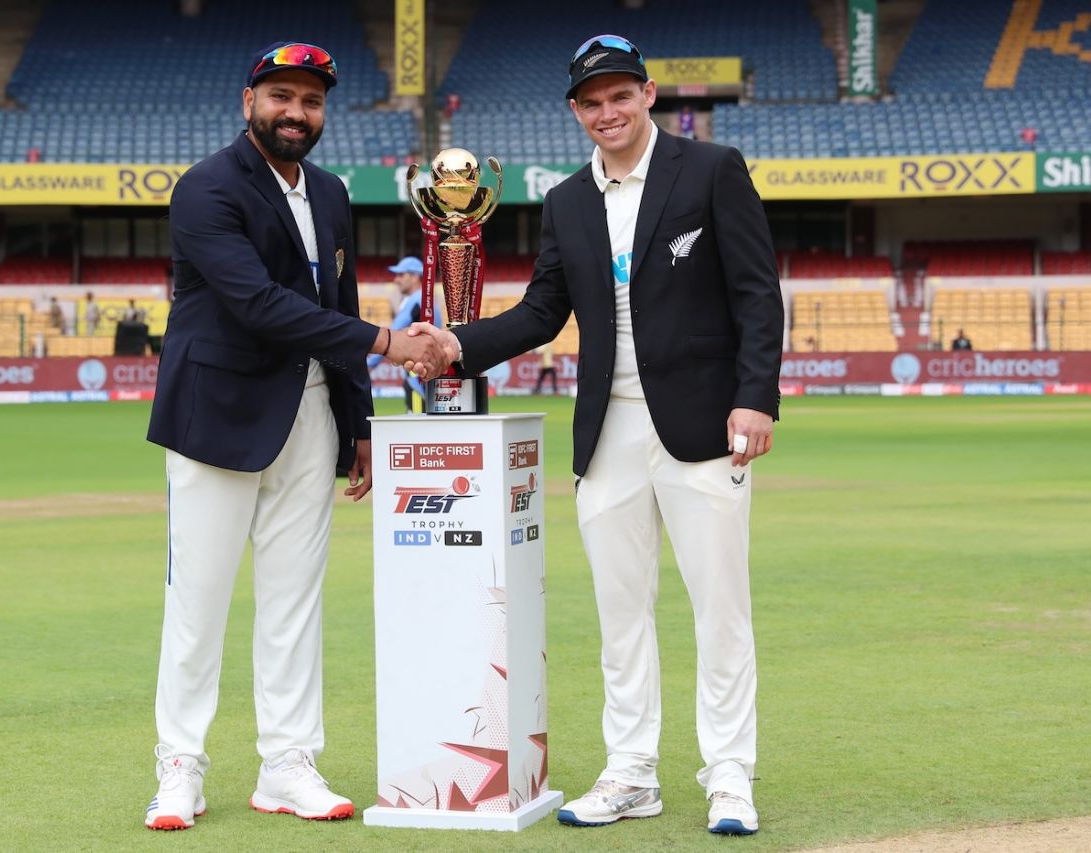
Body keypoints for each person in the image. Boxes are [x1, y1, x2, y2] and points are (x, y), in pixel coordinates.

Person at [413, 34, 783, 836]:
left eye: (620, 95)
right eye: (591, 101)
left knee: (720, 609)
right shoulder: (567, 200)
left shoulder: (712, 169)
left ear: (648, 95)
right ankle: (632, 772)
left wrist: (756, 397)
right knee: (621, 614)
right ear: (576, 112)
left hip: (704, 423)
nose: (607, 112)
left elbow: (757, 291)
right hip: (606, 431)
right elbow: (543, 312)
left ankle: (729, 774)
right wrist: (456, 342)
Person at [142, 40, 446, 831]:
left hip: (310, 413)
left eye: (311, 101)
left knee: (293, 601)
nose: (296, 112)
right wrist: (388, 342)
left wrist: (360, 422)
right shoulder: (206, 187)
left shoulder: (332, 191)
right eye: (281, 96)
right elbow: (258, 303)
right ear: (249, 102)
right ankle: (180, 764)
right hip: (217, 416)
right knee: (197, 600)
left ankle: (287, 762)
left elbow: (337, 302)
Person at [365, 255, 442, 412]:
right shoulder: (427, 300)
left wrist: (370, 363)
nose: (396, 280)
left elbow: (390, 336)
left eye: (401, 275)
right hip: (428, 375)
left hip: (417, 377)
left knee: (417, 421)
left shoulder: (415, 300)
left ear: (415, 277)